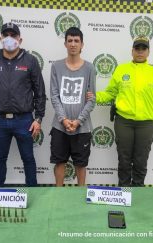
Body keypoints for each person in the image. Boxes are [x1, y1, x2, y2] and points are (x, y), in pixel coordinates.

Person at [95, 36, 153, 187]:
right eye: (137, 48)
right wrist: (93, 97)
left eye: (144, 49)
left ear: (148, 52)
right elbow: (110, 93)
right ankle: (124, 192)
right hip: (124, 122)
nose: (140, 52)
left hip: (146, 124)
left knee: (141, 160)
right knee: (124, 159)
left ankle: (138, 191)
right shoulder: (121, 70)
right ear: (132, 51)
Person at [0, 22, 46, 187]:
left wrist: (38, 119)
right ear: (1, 38)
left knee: (28, 158)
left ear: (20, 39)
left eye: (13, 35)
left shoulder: (30, 61)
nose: (10, 38)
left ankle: (32, 192)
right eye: (6, 35)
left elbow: (40, 92)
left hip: (24, 120)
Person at [50, 27, 96, 186]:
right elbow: (54, 95)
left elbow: (92, 100)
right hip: (59, 126)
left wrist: (78, 121)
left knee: (81, 164)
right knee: (59, 162)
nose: (73, 44)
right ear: (65, 44)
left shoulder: (90, 68)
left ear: (82, 44)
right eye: (70, 40)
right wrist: (63, 119)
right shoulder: (56, 66)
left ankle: (81, 197)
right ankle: (58, 195)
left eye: (77, 41)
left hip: (82, 128)